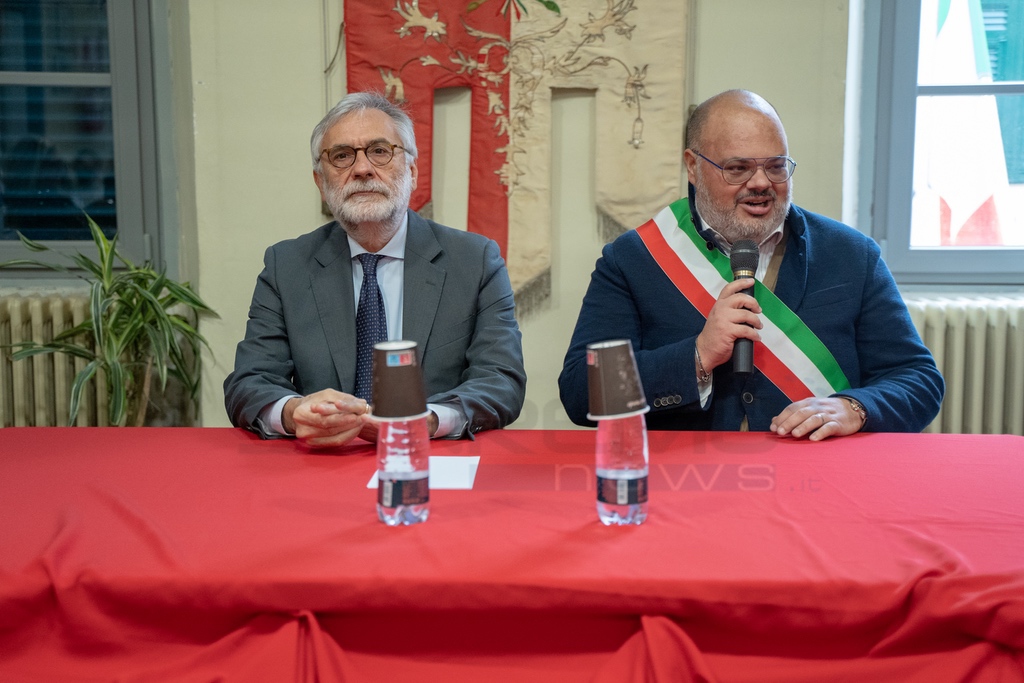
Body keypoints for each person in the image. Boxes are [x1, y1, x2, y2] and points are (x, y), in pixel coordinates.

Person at [559, 89, 943, 440]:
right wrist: (697, 357)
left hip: (815, 476)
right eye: (738, 168)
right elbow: (581, 393)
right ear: (693, 167)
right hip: (688, 476)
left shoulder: (851, 255)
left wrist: (855, 408)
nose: (761, 183)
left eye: (776, 166)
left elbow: (918, 379)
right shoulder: (635, 259)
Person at [225, 92, 526, 447]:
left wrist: (426, 421)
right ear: (321, 183)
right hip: (324, 459)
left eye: (380, 151)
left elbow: (501, 381)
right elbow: (250, 381)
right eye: (342, 156)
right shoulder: (287, 265)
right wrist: (294, 413)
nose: (362, 169)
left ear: (411, 172)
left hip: (433, 457)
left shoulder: (475, 261)